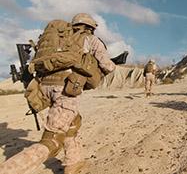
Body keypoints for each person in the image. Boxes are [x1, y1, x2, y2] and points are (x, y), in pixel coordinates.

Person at [0, 13, 116, 174]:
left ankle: (74, 163)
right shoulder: (89, 39)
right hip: (65, 89)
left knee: (73, 122)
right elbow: (108, 66)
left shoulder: (56, 39)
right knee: (52, 141)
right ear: (90, 27)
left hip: (44, 88)